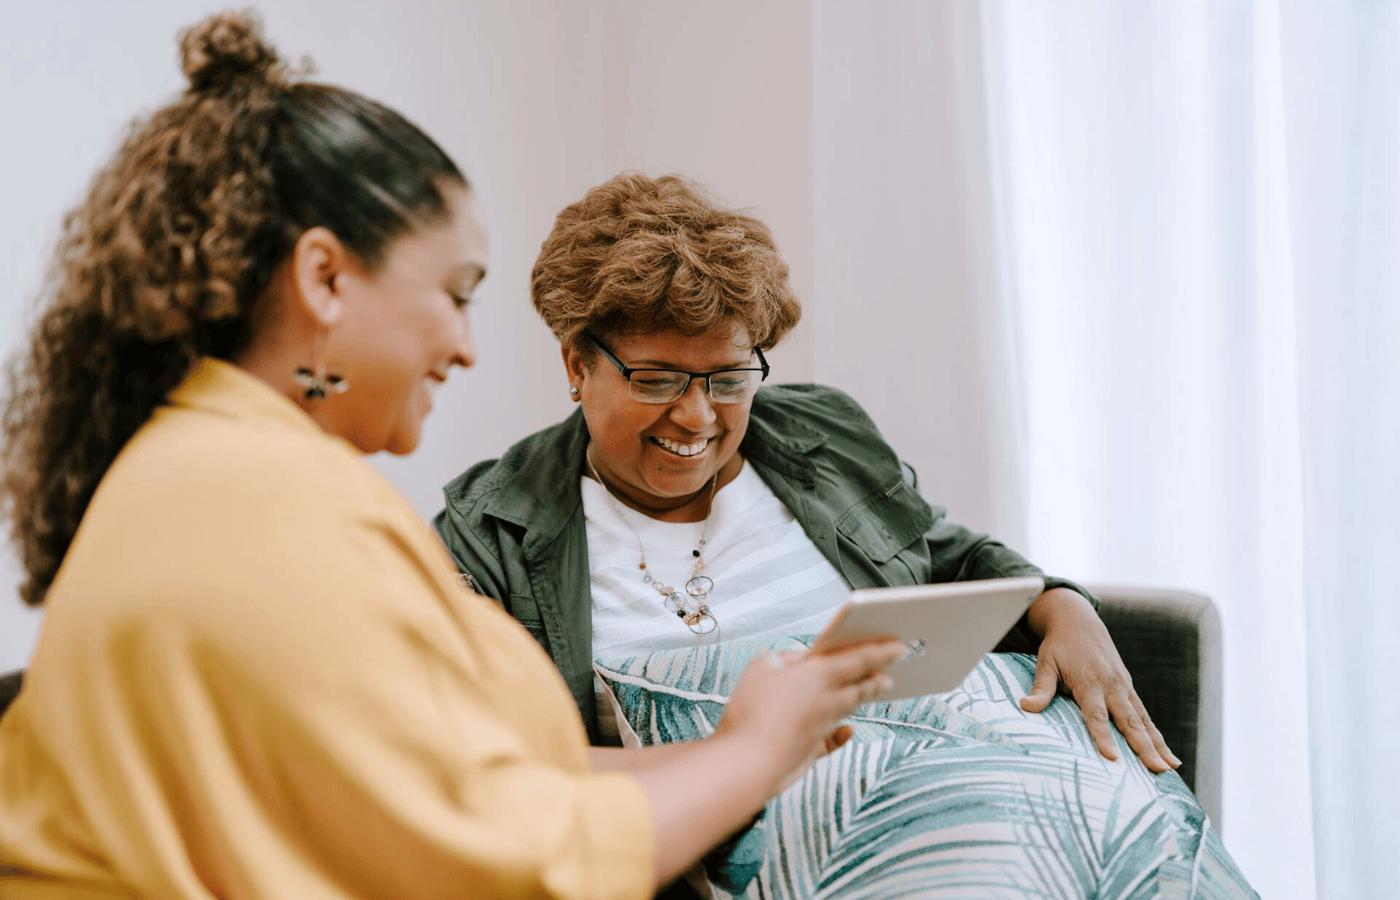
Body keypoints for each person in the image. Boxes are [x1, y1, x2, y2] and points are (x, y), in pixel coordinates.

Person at [0, 14, 904, 900]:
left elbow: (464, 784)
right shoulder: (273, 507)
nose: (467, 347)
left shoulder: (219, 469)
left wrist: (735, 746)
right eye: (454, 293)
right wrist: (753, 754)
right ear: (324, 279)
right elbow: (513, 863)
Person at [435, 172, 1179, 773]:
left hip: (932, 787)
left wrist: (1061, 606)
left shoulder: (820, 435)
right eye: (657, 380)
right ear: (577, 365)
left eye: (728, 378)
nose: (697, 418)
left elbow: (953, 561)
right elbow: (495, 771)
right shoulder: (491, 533)